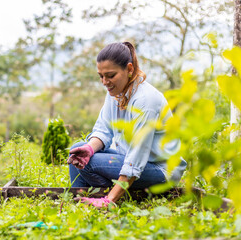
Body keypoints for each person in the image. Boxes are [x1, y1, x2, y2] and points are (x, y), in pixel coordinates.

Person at [67, 42, 187, 208]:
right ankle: (80, 201)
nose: (104, 81)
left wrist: (109, 201)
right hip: (128, 160)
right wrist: (88, 149)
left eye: (110, 75)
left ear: (129, 69)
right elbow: (103, 130)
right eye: (101, 76)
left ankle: (108, 199)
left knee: (89, 163)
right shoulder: (115, 93)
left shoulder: (145, 100)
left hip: (160, 171)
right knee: (79, 149)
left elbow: (136, 159)